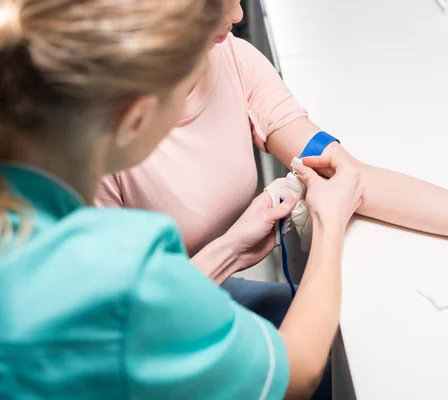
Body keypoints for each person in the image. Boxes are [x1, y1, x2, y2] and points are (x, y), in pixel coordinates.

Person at [97, 0, 448, 333]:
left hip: (210, 299)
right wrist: (228, 252)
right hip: (150, 342)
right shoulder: (86, 138)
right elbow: (118, 327)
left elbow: (353, 177)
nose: (234, 12)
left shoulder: (233, 59)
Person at [0, 0, 364, 399]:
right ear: (135, 118)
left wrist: (228, 250)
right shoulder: (118, 268)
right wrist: (328, 226)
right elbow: (297, 373)